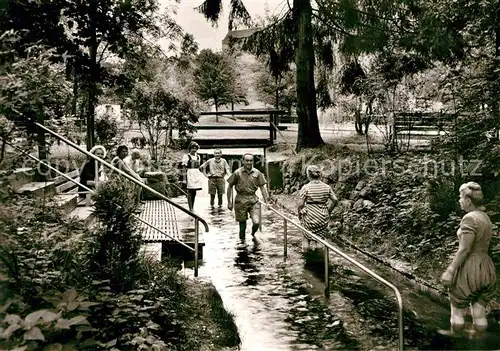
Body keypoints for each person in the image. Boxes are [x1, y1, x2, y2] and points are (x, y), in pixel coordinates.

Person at [440, 182, 496, 335]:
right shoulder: (485, 217)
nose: (459, 200)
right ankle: (478, 342)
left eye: (461, 197)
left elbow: (465, 249)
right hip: (486, 267)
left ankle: (456, 340)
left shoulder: (469, 218)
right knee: (478, 313)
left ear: (468, 200)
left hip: (470, 267)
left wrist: (450, 270)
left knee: (457, 311)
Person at [227, 153, 269, 237]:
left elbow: (262, 188)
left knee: (256, 222)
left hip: (253, 199)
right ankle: (242, 244)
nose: (249, 162)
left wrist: (267, 202)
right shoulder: (237, 173)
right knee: (242, 227)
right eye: (247, 160)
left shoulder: (257, 173)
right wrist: (229, 202)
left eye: (251, 160)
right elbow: (229, 186)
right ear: (243, 161)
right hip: (240, 199)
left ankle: (253, 234)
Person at [297, 165, 338, 250]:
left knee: (305, 237)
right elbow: (335, 200)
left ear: (308, 175)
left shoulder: (305, 188)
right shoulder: (326, 187)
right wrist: (329, 210)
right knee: (320, 239)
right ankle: (319, 257)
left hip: (309, 216)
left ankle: (307, 257)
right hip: (323, 217)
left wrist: (299, 214)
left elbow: (300, 205)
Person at [110, 145, 145, 211]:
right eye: (123, 151)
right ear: (119, 152)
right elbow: (127, 171)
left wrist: (139, 179)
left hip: (120, 178)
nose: (125, 153)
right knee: (135, 184)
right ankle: (134, 206)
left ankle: (136, 205)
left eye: (126, 151)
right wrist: (138, 180)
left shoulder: (122, 160)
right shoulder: (118, 160)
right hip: (115, 180)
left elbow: (131, 171)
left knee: (138, 183)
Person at [181, 141, 204, 212]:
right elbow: (184, 168)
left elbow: (199, 166)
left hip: (196, 174)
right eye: (192, 148)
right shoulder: (186, 156)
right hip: (190, 173)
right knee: (190, 191)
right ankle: (190, 208)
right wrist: (184, 179)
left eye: (195, 148)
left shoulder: (198, 156)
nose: (194, 150)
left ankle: (193, 207)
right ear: (190, 148)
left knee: (194, 191)